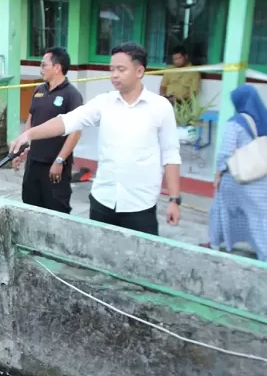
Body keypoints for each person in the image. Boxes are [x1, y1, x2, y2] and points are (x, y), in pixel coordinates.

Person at [10, 42, 182, 236]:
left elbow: (171, 154)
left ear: (139, 71)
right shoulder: (104, 102)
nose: (114, 75)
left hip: (140, 205)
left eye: (121, 69)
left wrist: (174, 200)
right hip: (103, 201)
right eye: (111, 69)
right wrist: (29, 134)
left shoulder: (160, 107)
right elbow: (68, 121)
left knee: (138, 263)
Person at [201, 85, 267, 263]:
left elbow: (225, 152)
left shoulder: (236, 122)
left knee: (225, 209)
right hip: (262, 180)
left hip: (236, 179)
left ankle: (215, 242)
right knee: (262, 215)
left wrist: (218, 172)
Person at [12, 47, 83, 213]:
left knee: (55, 209)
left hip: (54, 165)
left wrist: (59, 161)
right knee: (30, 205)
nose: (41, 69)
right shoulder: (39, 90)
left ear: (57, 67)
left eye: (44, 65)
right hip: (33, 162)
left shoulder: (72, 95)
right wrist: (22, 150)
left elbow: (75, 132)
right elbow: (31, 122)